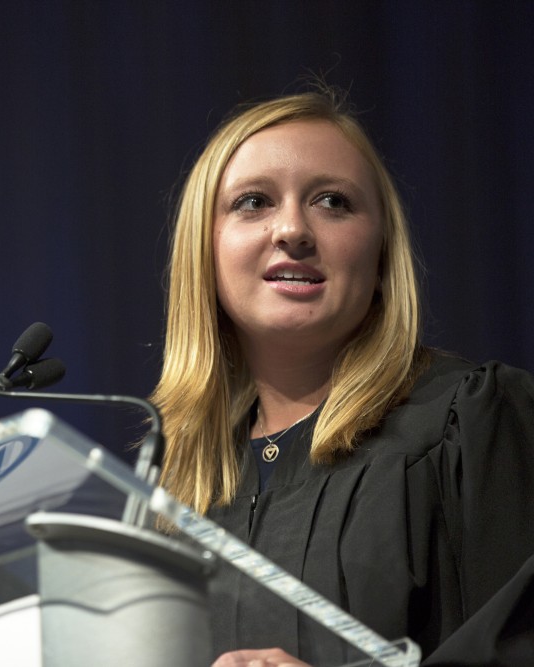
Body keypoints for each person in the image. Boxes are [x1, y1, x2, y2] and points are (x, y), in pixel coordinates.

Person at [150, 88, 534, 665]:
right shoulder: (178, 485)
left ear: (381, 251)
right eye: (252, 202)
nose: (292, 231)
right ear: (204, 250)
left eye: (332, 201)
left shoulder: (472, 420)